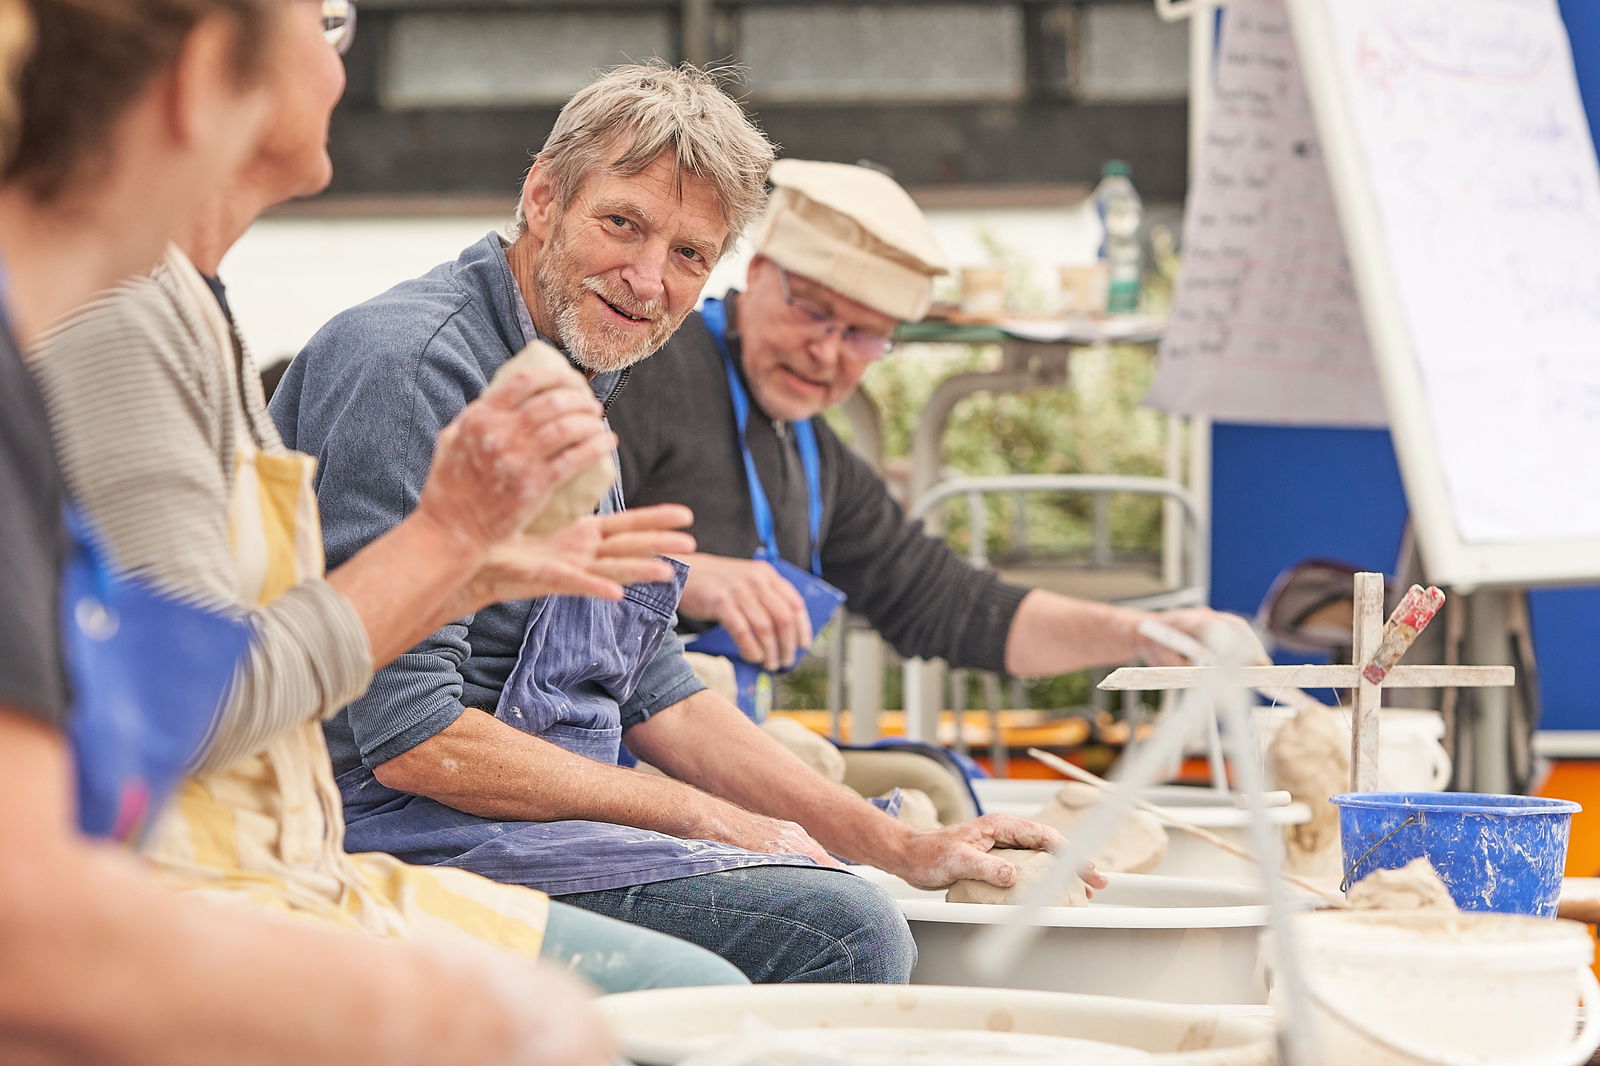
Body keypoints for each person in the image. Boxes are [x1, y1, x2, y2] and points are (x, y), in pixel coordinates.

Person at [273, 61, 1098, 986]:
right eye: (623, 223)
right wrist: (699, 817)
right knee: (843, 935)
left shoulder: (581, 373)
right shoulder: (416, 366)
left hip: (525, 828)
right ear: (542, 196)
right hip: (393, 840)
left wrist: (903, 844)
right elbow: (408, 735)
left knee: (873, 894)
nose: (645, 278)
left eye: (689, 255)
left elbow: (649, 686)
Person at [32, 0, 743, 997]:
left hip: (296, 867)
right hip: (218, 887)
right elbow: (183, 717)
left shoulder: (189, 306)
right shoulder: (123, 316)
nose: (343, 58)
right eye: (323, 23)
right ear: (199, 72)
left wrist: (457, 567)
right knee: (728, 987)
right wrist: (444, 548)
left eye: (689, 255)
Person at [611, 159, 1241, 708]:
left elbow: (945, 601)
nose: (826, 354)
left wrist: (1141, 634)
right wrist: (686, 575)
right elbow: (537, 546)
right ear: (759, 272)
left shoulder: (813, 453)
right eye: (813, 311)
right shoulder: (648, 367)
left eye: (863, 336)